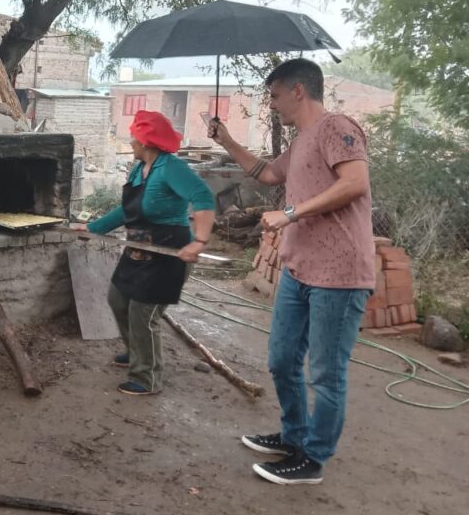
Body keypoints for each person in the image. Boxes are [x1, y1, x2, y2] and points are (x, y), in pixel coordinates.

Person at [209, 58, 374, 485]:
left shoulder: (337, 128)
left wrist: (290, 212)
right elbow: (268, 174)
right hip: (300, 270)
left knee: (325, 374)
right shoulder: (302, 141)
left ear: (298, 91)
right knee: (282, 360)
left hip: (339, 275)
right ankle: (293, 436)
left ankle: (312, 459)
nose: (273, 104)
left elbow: (355, 183)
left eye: (275, 95)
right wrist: (227, 140)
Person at [76, 110, 215, 396]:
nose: (130, 140)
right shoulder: (139, 169)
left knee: (143, 313)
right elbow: (127, 210)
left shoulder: (171, 168)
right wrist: (93, 227)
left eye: (134, 136)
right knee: (117, 299)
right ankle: (137, 352)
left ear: (146, 141)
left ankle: (146, 377)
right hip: (139, 247)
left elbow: (203, 197)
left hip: (169, 251)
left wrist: (200, 241)